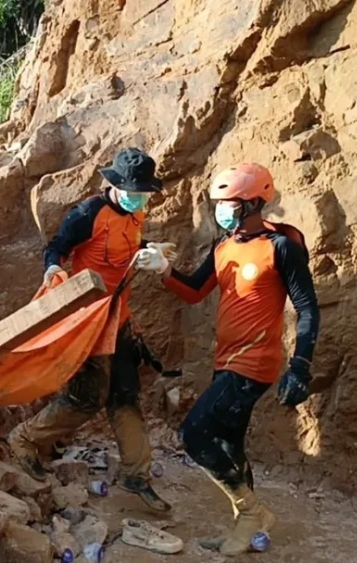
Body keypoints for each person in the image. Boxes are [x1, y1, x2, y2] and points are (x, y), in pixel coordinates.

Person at [134, 163, 320, 555]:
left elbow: (307, 307)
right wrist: (165, 270)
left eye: (227, 203)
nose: (220, 210)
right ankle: (245, 527)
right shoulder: (224, 247)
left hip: (254, 364)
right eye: (217, 203)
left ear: (252, 203)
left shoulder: (280, 247)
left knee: (195, 434)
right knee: (229, 443)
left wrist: (300, 365)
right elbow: (195, 291)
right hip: (227, 361)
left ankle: (250, 512)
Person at [8, 148, 173, 512]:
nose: (138, 199)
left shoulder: (136, 212)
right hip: (89, 322)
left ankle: (136, 473)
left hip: (121, 319)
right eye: (133, 192)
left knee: (126, 395)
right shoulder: (87, 214)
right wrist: (53, 270)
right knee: (87, 398)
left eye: (143, 193)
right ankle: (24, 439)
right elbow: (56, 248)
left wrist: (150, 252)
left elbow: (127, 247)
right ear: (114, 185)